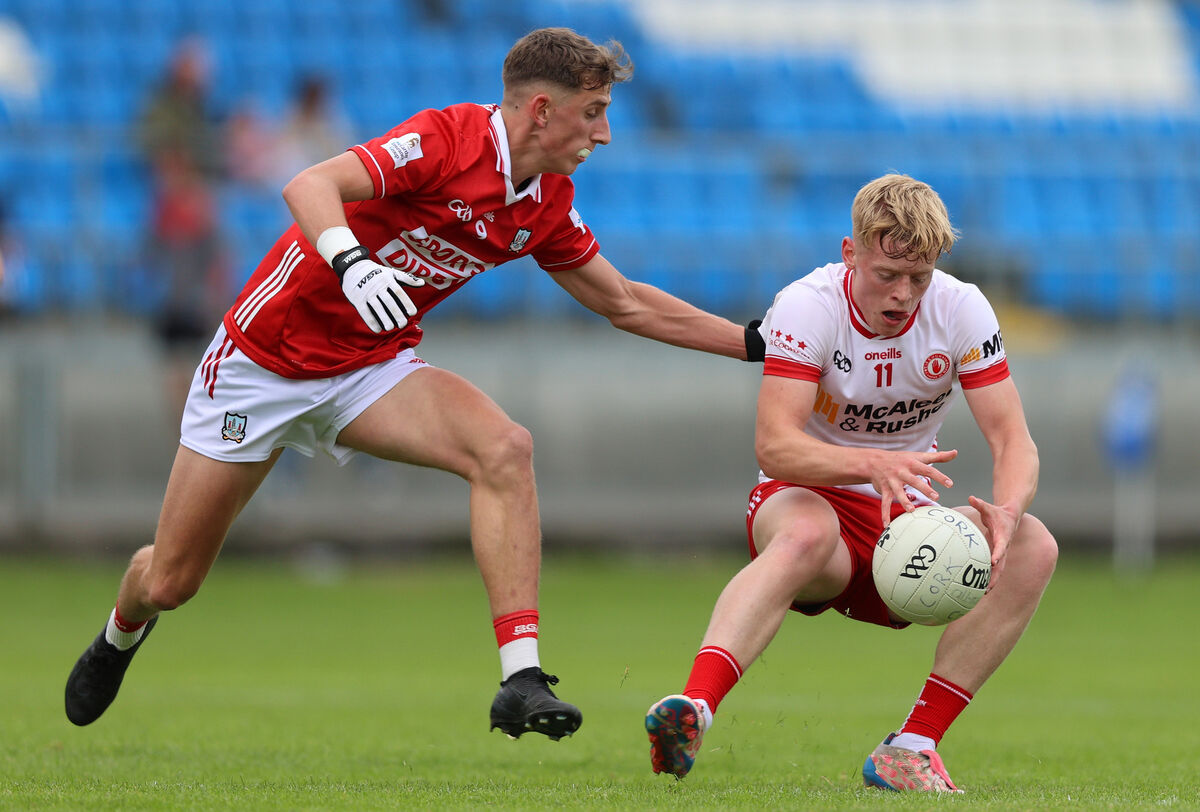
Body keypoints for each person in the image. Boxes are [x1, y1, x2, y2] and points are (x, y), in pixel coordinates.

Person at [64, 28, 765, 742]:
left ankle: (520, 677)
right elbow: (309, 184)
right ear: (542, 110)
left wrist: (748, 343)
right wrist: (353, 264)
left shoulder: (547, 200)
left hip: (368, 369)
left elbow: (625, 302)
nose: (606, 133)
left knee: (504, 449)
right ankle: (121, 632)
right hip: (262, 366)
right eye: (594, 112)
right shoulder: (447, 139)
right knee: (171, 582)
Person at [644, 174, 1057, 792]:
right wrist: (870, 463)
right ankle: (695, 708)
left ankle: (911, 748)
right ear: (850, 252)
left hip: (901, 519)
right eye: (887, 274)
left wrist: (1007, 509)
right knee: (807, 532)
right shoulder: (808, 305)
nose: (903, 293)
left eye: (918, 277)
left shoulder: (961, 307)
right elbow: (775, 445)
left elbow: (1013, 441)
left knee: (1033, 546)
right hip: (806, 494)